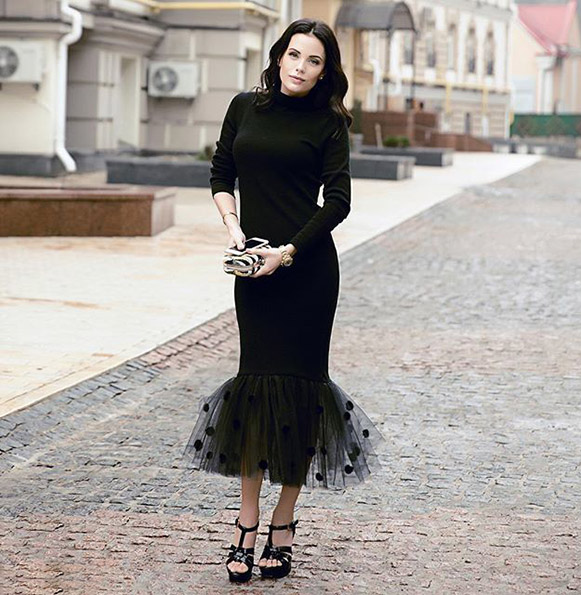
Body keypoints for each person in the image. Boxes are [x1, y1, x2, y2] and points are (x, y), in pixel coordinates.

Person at [182, 18, 383, 583]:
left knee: (299, 394)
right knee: (255, 389)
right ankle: (245, 522)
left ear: (324, 71)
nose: (300, 67)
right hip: (254, 270)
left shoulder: (329, 122)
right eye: (294, 54)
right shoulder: (244, 107)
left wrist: (288, 252)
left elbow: (338, 201)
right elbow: (222, 171)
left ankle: (283, 521)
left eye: (313, 60)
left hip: (306, 271)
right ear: (278, 56)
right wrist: (234, 230)